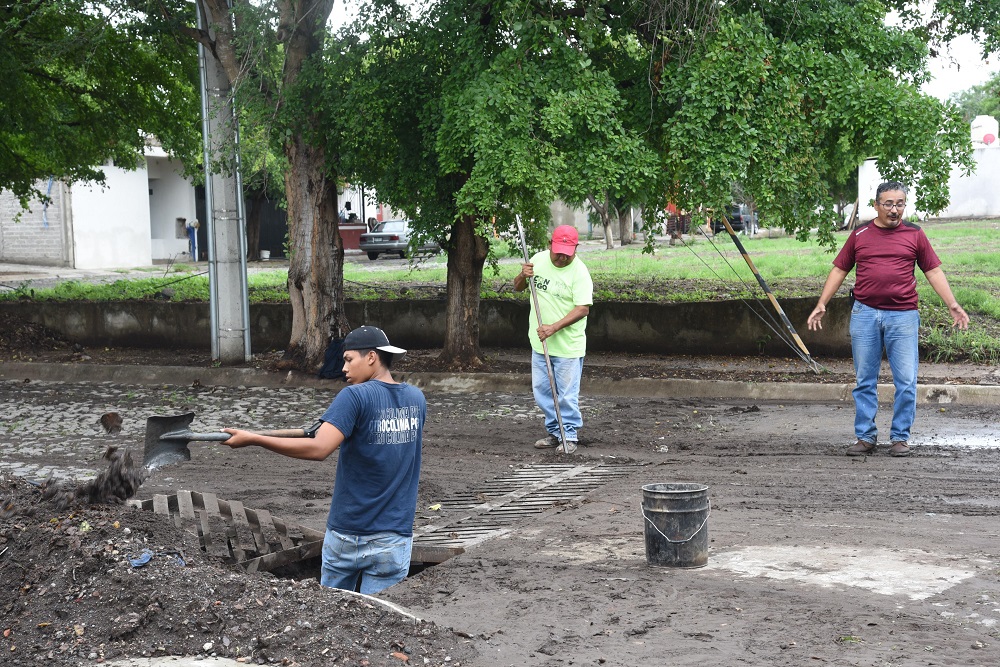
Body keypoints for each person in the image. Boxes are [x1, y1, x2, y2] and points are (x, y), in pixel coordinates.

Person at [220, 326, 425, 594]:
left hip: (348, 535)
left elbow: (319, 448)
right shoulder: (416, 399)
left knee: (330, 621)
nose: (343, 368)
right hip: (394, 538)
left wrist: (254, 439)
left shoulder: (354, 396)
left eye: (349, 359)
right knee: (379, 623)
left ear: (372, 357)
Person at [807, 181, 969, 457]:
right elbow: (839, 270)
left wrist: (952, 303)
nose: (895, 210)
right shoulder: (860, 235)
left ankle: (900, 438)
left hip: (904, 316)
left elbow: (933, 272)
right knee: (864, 381)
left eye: (900, 204)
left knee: (906, 381)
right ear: (876, 205)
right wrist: (822, 303)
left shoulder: (915, 234)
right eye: (889, 204)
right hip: (865, 314)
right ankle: (866, 437)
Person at [514, 224, 594, 453]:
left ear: (575, 250)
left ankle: (569, 436)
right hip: (540, 344)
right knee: (543, 392)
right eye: (557, 252)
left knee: (567, 395)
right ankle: (555, 431)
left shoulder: (579, 272)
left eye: (566, 254)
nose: (561, 258)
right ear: (550, 244)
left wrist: (553, 328)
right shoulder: (537, 260)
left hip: (568, 347)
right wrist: (523, 275)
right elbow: (518, 287)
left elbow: (582, 309)